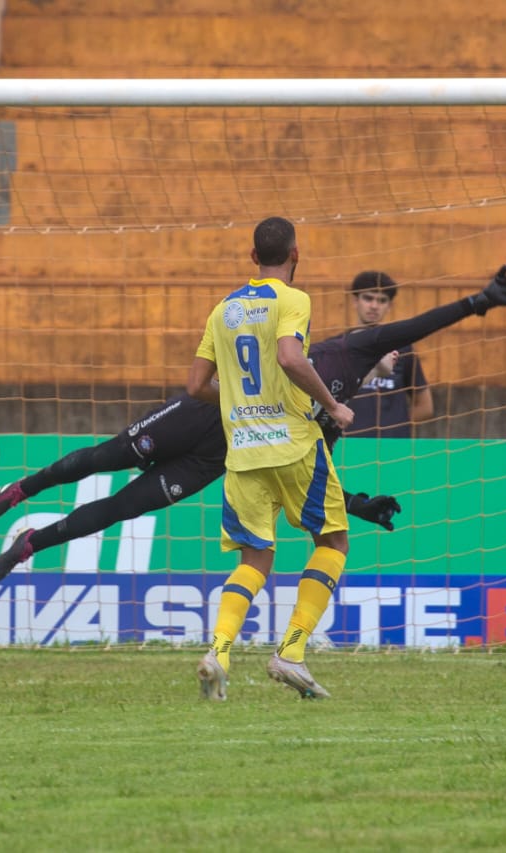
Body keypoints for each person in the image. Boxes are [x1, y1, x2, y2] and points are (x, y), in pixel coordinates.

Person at [0, 264, 506, 586]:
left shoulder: (333, 409)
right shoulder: (338, 351)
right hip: (197, 414)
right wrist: (478, 302)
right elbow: (420, 321)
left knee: (124, 507)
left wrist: (357, 504)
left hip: (215, 458)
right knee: (102, 458)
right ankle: (21, 489)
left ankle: (30, 543)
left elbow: (312, 473)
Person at [182, 215, 356, 702]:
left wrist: (237, 400)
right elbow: (289, 357)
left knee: (254, 557)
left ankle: (218, 652)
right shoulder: (293, 299)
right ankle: (292, 652)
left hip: (243, 452)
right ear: (295, 255)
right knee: (333, 540)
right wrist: (335, 405)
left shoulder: (223, 310)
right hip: (294, 443)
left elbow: (195, 385)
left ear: (253, 258)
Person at [345, 271, 434, 438]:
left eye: (381, 300)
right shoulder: (337, 347)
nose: (374, 305)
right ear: (355, 301)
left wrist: (395, 427)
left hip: (392, 449)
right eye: (368, 298)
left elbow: (425, 406)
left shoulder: (402, 349)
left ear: (389, 305)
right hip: (346, 445)